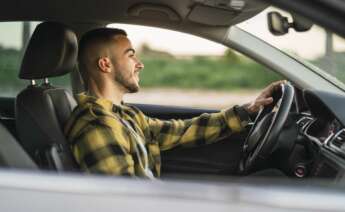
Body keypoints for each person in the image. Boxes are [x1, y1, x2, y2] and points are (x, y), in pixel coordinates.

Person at [64, 28, 284, 179]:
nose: (139, 64)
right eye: (130, 56)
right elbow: (124, 200)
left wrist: (247, 110)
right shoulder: (96, 125)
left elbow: (181, 131)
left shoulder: (124, 115)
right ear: (105, 64)